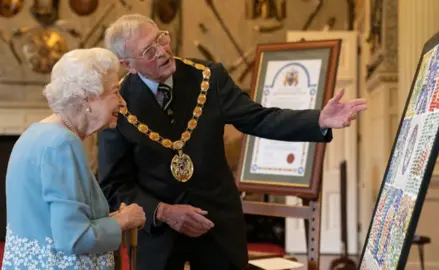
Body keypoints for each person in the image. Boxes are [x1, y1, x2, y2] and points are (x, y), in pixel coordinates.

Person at [98, 14, 367, 270]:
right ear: (128, 64)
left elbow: (259, 118)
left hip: (218, 225)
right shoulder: (116, 102)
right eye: (148, 50)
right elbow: (115, 186)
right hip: (160, 234)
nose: (162, 51)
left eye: (162, 39)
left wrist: (318, 119)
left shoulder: (207, 77)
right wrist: (164, 212)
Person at [2, 48, 146, 270]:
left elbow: (49, 221)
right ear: (88, 98)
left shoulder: (34, 134)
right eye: (116, 92)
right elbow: (74, 238)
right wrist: (125, 220)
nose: (123, 103)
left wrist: (108, 218)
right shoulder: (62, 144)